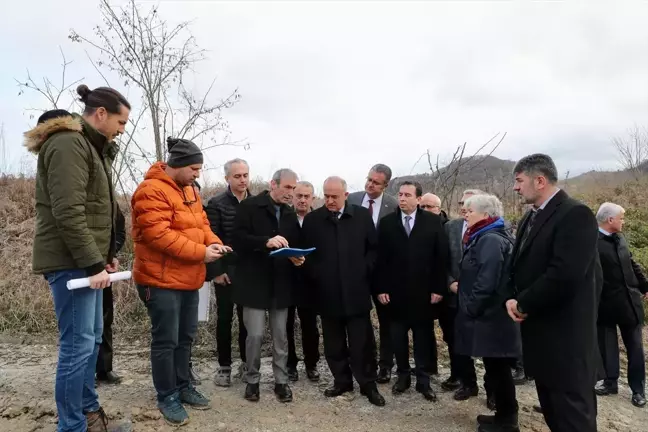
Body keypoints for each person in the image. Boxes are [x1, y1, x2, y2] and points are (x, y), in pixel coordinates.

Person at [26, 84, 131, 432]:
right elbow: (69, 212)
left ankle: (88, 413)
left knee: (92, 340)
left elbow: (97, 212)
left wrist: (104, 258)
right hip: (70, 263)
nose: (122, 129)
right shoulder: (69, 144)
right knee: (77, 347)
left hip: (85, 262)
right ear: (100, 113)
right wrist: (91, 262)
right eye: (121, 121)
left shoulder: (91, 147)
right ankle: (72, 426)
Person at [132, 138, 230, 426]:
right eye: (194, 168)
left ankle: (183, 385)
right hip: (159, 280)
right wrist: (202, 253)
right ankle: (167, 395)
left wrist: (215, 243)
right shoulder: (150, 191)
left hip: (189, 277)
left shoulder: (189, 190)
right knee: (166, 340)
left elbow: (202, 224)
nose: (197, 173)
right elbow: (159, 236)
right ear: (178, 165)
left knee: (185, 337)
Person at [506, 154, 601, 432]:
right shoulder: (530, 217)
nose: (516, 187)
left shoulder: (575, 214)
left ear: (540, 180)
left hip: (566, 341)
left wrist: (523, 303)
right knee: (554, 414)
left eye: (519, 181)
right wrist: (509, 297)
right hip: (542, 338)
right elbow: (519, 266)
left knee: (573, 419)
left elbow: (564, 275)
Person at [302, 176, 386, 406]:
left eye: (334, 197)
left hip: (356, 291)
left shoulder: (360, 216)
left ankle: (368, 384)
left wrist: (363, 270)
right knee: (333, 342)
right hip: (327, 293)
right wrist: (317, 273)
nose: (329, 200)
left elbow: (373, 249)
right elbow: (305, 255)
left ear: (345, 195)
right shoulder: (313, 220)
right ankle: (342, 382)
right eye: (326, 196)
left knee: (362, 343)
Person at [232, 169, 303, 403]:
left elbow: (294, 243)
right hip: (254, 283)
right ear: (273, 184)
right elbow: (238, 240)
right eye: (288, 188)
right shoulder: (250, 206)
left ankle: (281, 382)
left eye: (294, 188)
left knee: (281, 336)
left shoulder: (290, 214)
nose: (291, 193)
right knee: (254, 335)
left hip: (281, 283)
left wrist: (296, 257)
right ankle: (252, 381)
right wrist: (265, 242)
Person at [375, 181, 448, 402]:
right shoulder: (387, 223)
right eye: (400, 194)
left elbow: (441, 258)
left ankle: (423, 380)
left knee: (423, 337)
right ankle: (403, 376)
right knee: (397, 337)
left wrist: (438, 287)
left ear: (418, 198)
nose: (402, 198)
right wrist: (380, 287)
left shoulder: (433, 222)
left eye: (408, 195)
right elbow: (380, 260)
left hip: (423, 293)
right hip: (395, 293)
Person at [455, 194, 522, 432]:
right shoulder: (485, 235)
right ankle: (504, 414)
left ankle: (507, 421)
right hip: (490, 316)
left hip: (492, 317)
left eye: (470, 211)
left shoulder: (490, 240)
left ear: (485, 215)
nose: (465, 214)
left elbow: (487, 280)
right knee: (495, 367)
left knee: (499, 368)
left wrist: (471, 307)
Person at [348, 164, 398, 384]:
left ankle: (386, 365)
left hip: (383, 274)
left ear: (386, 185)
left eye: (376, 182)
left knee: (387, 321)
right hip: (355, 271)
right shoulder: (352, 199)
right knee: (359, 319)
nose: (370, 184)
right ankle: (365, 360)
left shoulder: (394, 205)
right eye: (368, 179)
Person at [595, 202, 647, 408]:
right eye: (621, 218)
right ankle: (610, 382)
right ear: (610, 220)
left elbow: (632, 263)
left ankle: (638, 390)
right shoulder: (592, 242)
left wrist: (645, 286)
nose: (623, 222)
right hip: (605, 305)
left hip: (630, 303)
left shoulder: (620, 238)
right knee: (607, 347)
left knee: (635, 348)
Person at [205, 158, 251, 387]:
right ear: (227, 179)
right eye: (237, 176)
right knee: (224, 319)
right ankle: (224, 367)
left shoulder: (255, 203)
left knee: (247, 321)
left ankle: (245, 363)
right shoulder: (216, 204)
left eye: (245, 175)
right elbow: (211, 239)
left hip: (248, 272)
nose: (242, 180)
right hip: (225, 271)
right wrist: (216, 271)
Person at [442, 189, 483, 399]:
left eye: (469, 204)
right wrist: (450, 283)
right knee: (455, 340)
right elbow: (442, 259)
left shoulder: (492, 229)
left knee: (485, 345)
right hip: (453, 296)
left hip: (481, 298)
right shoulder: (450, 227)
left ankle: (493, 391)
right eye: (461, 203)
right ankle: (465, 382)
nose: (463, 208)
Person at [287, 181, 321, 382]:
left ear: (313, 199)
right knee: (287, 325)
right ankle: (291, 364)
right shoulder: (284, 217)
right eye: (298, 195)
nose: (302, 200)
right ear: (292, 196)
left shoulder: (319, 219)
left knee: (310, 325)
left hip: (311, 280)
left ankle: (312, 363)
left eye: (306, 196)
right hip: (288, 280)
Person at [96, 205, 126, 385]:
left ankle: (104, 369)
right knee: (83, 325)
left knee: (105, 319)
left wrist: (109, 254)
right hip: (78, 268)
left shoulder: (111, 205)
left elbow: (120, 232)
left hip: (104, 270)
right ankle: (84, 374)